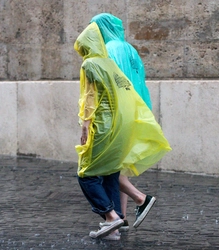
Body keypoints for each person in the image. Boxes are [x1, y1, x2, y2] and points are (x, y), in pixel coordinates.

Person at [74, 22, 171, 240]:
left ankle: (110, 217)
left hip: (103, 124)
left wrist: (86, 122)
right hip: (121, 123)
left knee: (86, 174)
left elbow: (89, 96)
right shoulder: (110, 64)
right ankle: (115, 227)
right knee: (111, 171)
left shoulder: (90, 64)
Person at [90, 13, 156, 230]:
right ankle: (121, 217)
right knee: (119, 167)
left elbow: (111, 84)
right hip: (134, 111)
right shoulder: (129, 48)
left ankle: (140, 198)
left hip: (117, 114)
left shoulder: (109, 50)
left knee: (99, 167)